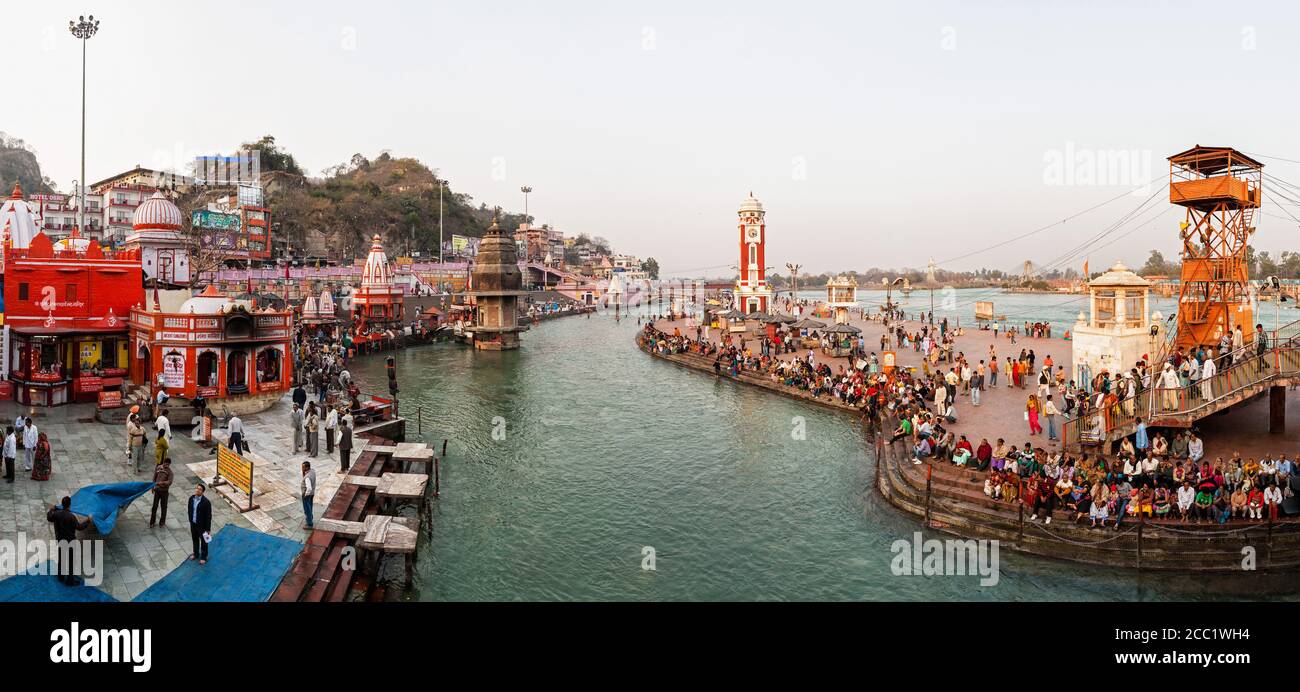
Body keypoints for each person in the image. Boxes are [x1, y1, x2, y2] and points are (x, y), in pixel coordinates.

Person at [47, 497, 90, 584]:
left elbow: (49, 517)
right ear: (70, 505)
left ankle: (61, 576)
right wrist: (88, 521)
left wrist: (51, 509)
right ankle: (70, 580)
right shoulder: (71, 517)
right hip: (70, 541)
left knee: (61, 558)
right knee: (70, 561)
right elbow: (79, 527)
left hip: (61, 540)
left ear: (62, 504)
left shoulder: (57, 514)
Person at [188, 484, 213, 565]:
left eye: (200, 489)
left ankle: (203, 557)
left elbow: (208, 516)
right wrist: (190, 520)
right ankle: (196, 553)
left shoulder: (206, 502)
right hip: (193, 524)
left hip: (202, 526)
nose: (197, 490)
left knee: (204, 542)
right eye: (197, 488)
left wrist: (208, 529)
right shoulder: (191, 499)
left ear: (202, 492)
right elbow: (189, 509)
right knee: (194, 539)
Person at [150, 458, 173, 527]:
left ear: (169, 464)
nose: (166, 465)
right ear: (163, 462)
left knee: (164, 507)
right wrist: (152, 486)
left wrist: (161, 483)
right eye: (165, 463)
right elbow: (154, 477)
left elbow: (169, 482)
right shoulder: (158, 468)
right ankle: (152, 522)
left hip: (164, 492)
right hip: (157, 490)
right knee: (154, 506)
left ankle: (162, 522)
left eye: (167, 464)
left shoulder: (170, 472)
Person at [301, 461, 317, 529]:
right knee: (310, 506)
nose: (302, 468)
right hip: (312, 493)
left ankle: (309, 523)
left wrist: (305, 495)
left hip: (307, 494)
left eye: (303, 467)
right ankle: (311, 517)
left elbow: (309, 488)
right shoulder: (312, 472)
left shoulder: (307, 477)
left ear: (307, 467)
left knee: (307, 508)